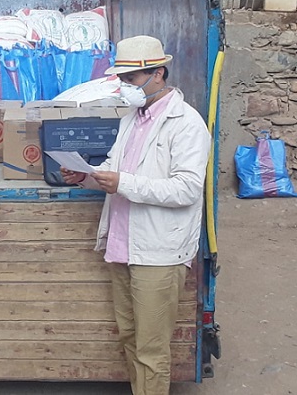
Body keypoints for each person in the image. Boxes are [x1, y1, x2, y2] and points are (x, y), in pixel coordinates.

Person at [61, 35, 211, 395]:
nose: (125, 87)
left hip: (158, 254)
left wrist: (123, 182)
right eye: (122, 80)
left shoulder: (187, 124)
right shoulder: (132, 118)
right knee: (130, 337)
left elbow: (187, 189)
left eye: (131, 79)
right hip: (123, 246)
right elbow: (115, 171)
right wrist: (86, 176)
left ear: (158, 73)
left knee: (151, 349)